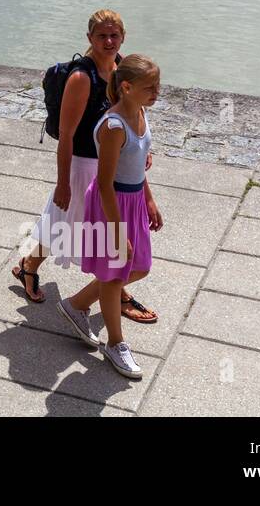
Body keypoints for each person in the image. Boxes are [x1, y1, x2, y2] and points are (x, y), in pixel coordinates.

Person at [14, 11, 154, 322]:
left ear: (123, 38)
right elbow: (66, 135)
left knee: (102, 231)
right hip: (82, 165)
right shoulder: (81, 78)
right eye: (102, 36)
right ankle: (30, 266)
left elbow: (132, 112)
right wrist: (63, 182)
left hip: (113, 166)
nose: (108, 41)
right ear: (89, 38)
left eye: (114, 36)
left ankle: (116, 288)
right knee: (64, 224)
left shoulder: (122, 69)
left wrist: (140, 146)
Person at [57, 55, 164, 379]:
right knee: (115, 276)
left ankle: (76, 304)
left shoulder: (140, 112)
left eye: (158, 86)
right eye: (150, 87)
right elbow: (104, 183)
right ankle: (116, 344)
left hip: (132, 201)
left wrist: (149, 199)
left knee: (139, 267)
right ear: (127, 87)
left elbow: (137, 165)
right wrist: (118, 231)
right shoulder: (114, 126)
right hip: (111, 205)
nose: (157, 92)